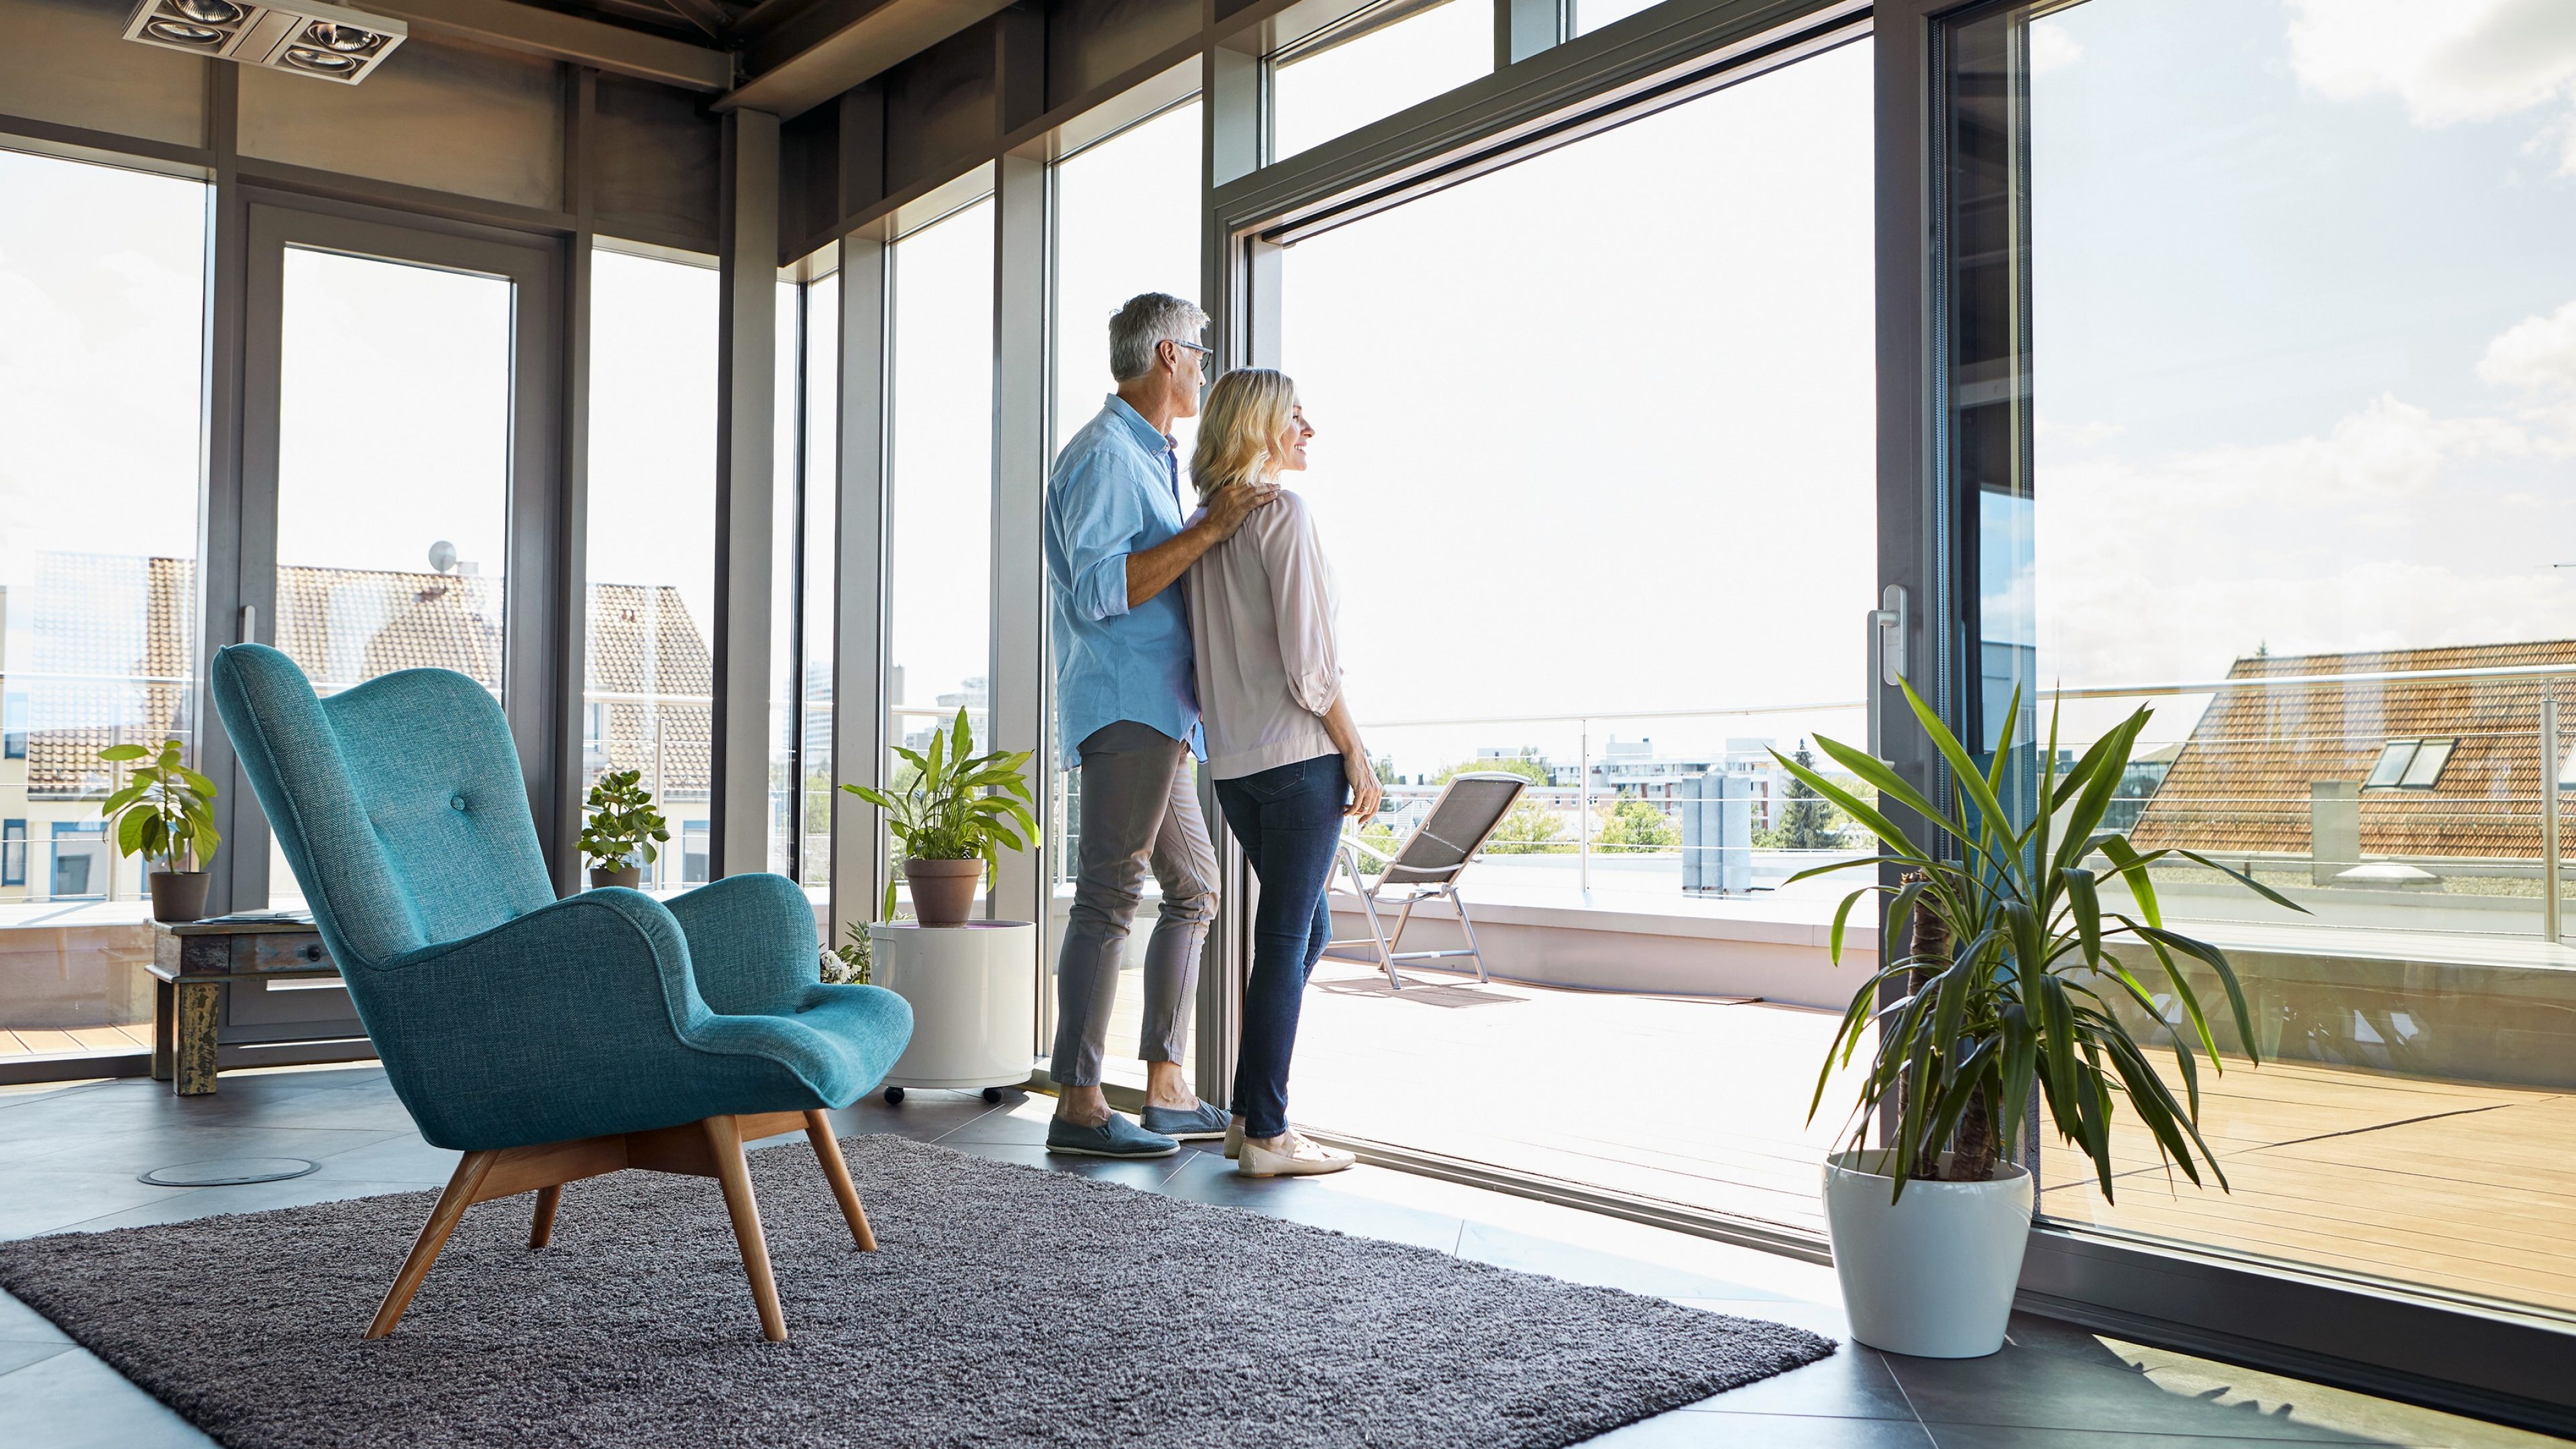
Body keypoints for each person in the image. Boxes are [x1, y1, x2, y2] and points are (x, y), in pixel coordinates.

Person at [1042, 293, 1279, 1159]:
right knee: (1109, 896)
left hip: (1164, 712)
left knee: (1197, 889)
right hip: (1127, 705)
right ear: (1168, 356)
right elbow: (1104, 590)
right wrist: (1212, 527)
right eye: (1202, 353)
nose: (1208, 369)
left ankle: (1168, 1087)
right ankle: (1078, 1103)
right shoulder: (1105, 456)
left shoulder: (1149, 457)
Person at [1185, 368, 1377, 1177]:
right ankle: (1266, 1132)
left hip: (1234, 769)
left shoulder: (1204, 527)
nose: (1309, 428)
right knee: (1287, 935)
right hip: (1300, 762)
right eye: (1296, 415)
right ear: (1260, 425)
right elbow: (1310, 669)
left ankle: (1245, 1116)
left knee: (1304, 931)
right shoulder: (1283, 514)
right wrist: (1355, 750)